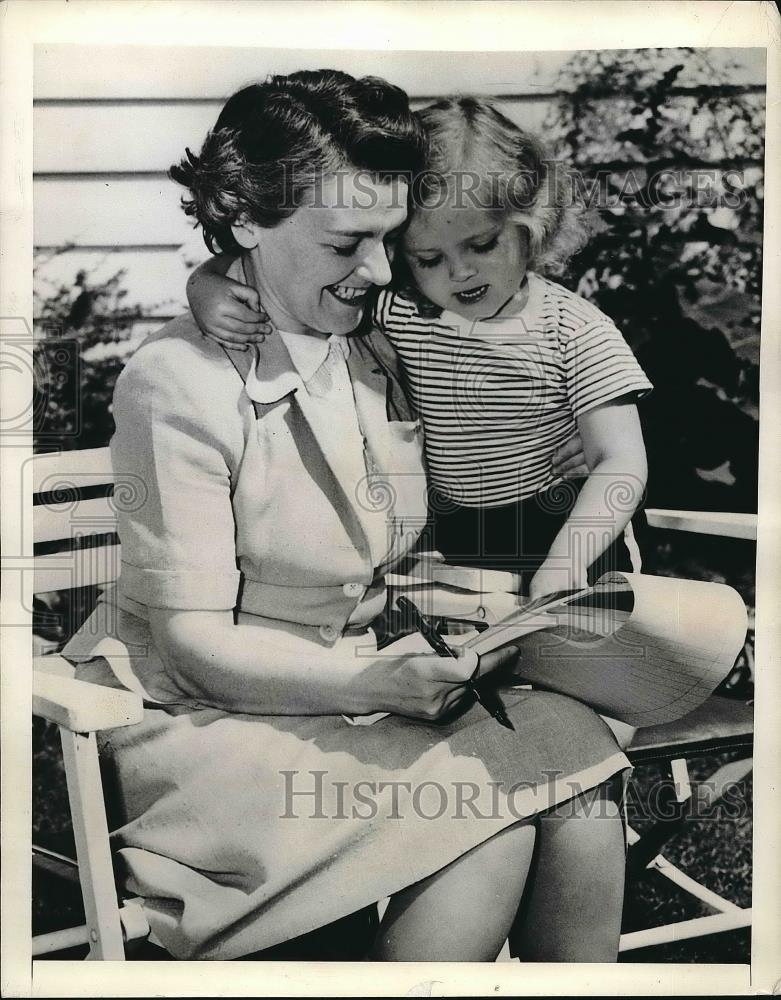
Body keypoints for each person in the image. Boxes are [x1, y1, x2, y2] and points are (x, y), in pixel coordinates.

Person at [64, 71, 630, 963]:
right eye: (346, 244)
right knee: (484, 817)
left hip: (362, 686)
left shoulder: (373, 336)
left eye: (389, 239)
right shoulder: (176, 385)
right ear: (247, 218)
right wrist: (371, 687)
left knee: (578, 761)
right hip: (209, 721)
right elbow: (194, 647)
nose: (378, 270)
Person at [189, 96, 652, 599]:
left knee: (584, 655)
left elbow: (621, 461)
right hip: (454, 533)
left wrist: (567, 562)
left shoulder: (575, 330)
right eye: (429, 258)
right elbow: (264, 264)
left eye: (482, 245)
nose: (460, 272)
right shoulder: (401, 309)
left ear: (532, 223)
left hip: (568, 530)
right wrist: (207, 282)